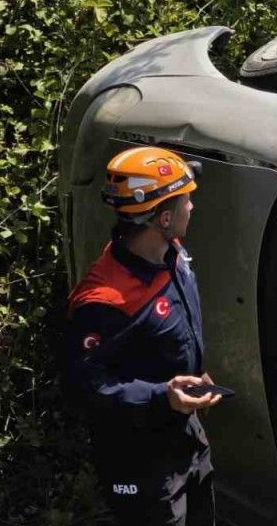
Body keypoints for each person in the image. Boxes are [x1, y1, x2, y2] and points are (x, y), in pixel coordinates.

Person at [64, 146, 221, 525]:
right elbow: (83, 385)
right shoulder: (105, 301)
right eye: (186, 201)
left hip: (189, 438)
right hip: (142, 462)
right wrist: (161, 395)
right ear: (164, 217)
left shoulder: (171, 251)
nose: (192, 208)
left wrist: (185, 387)